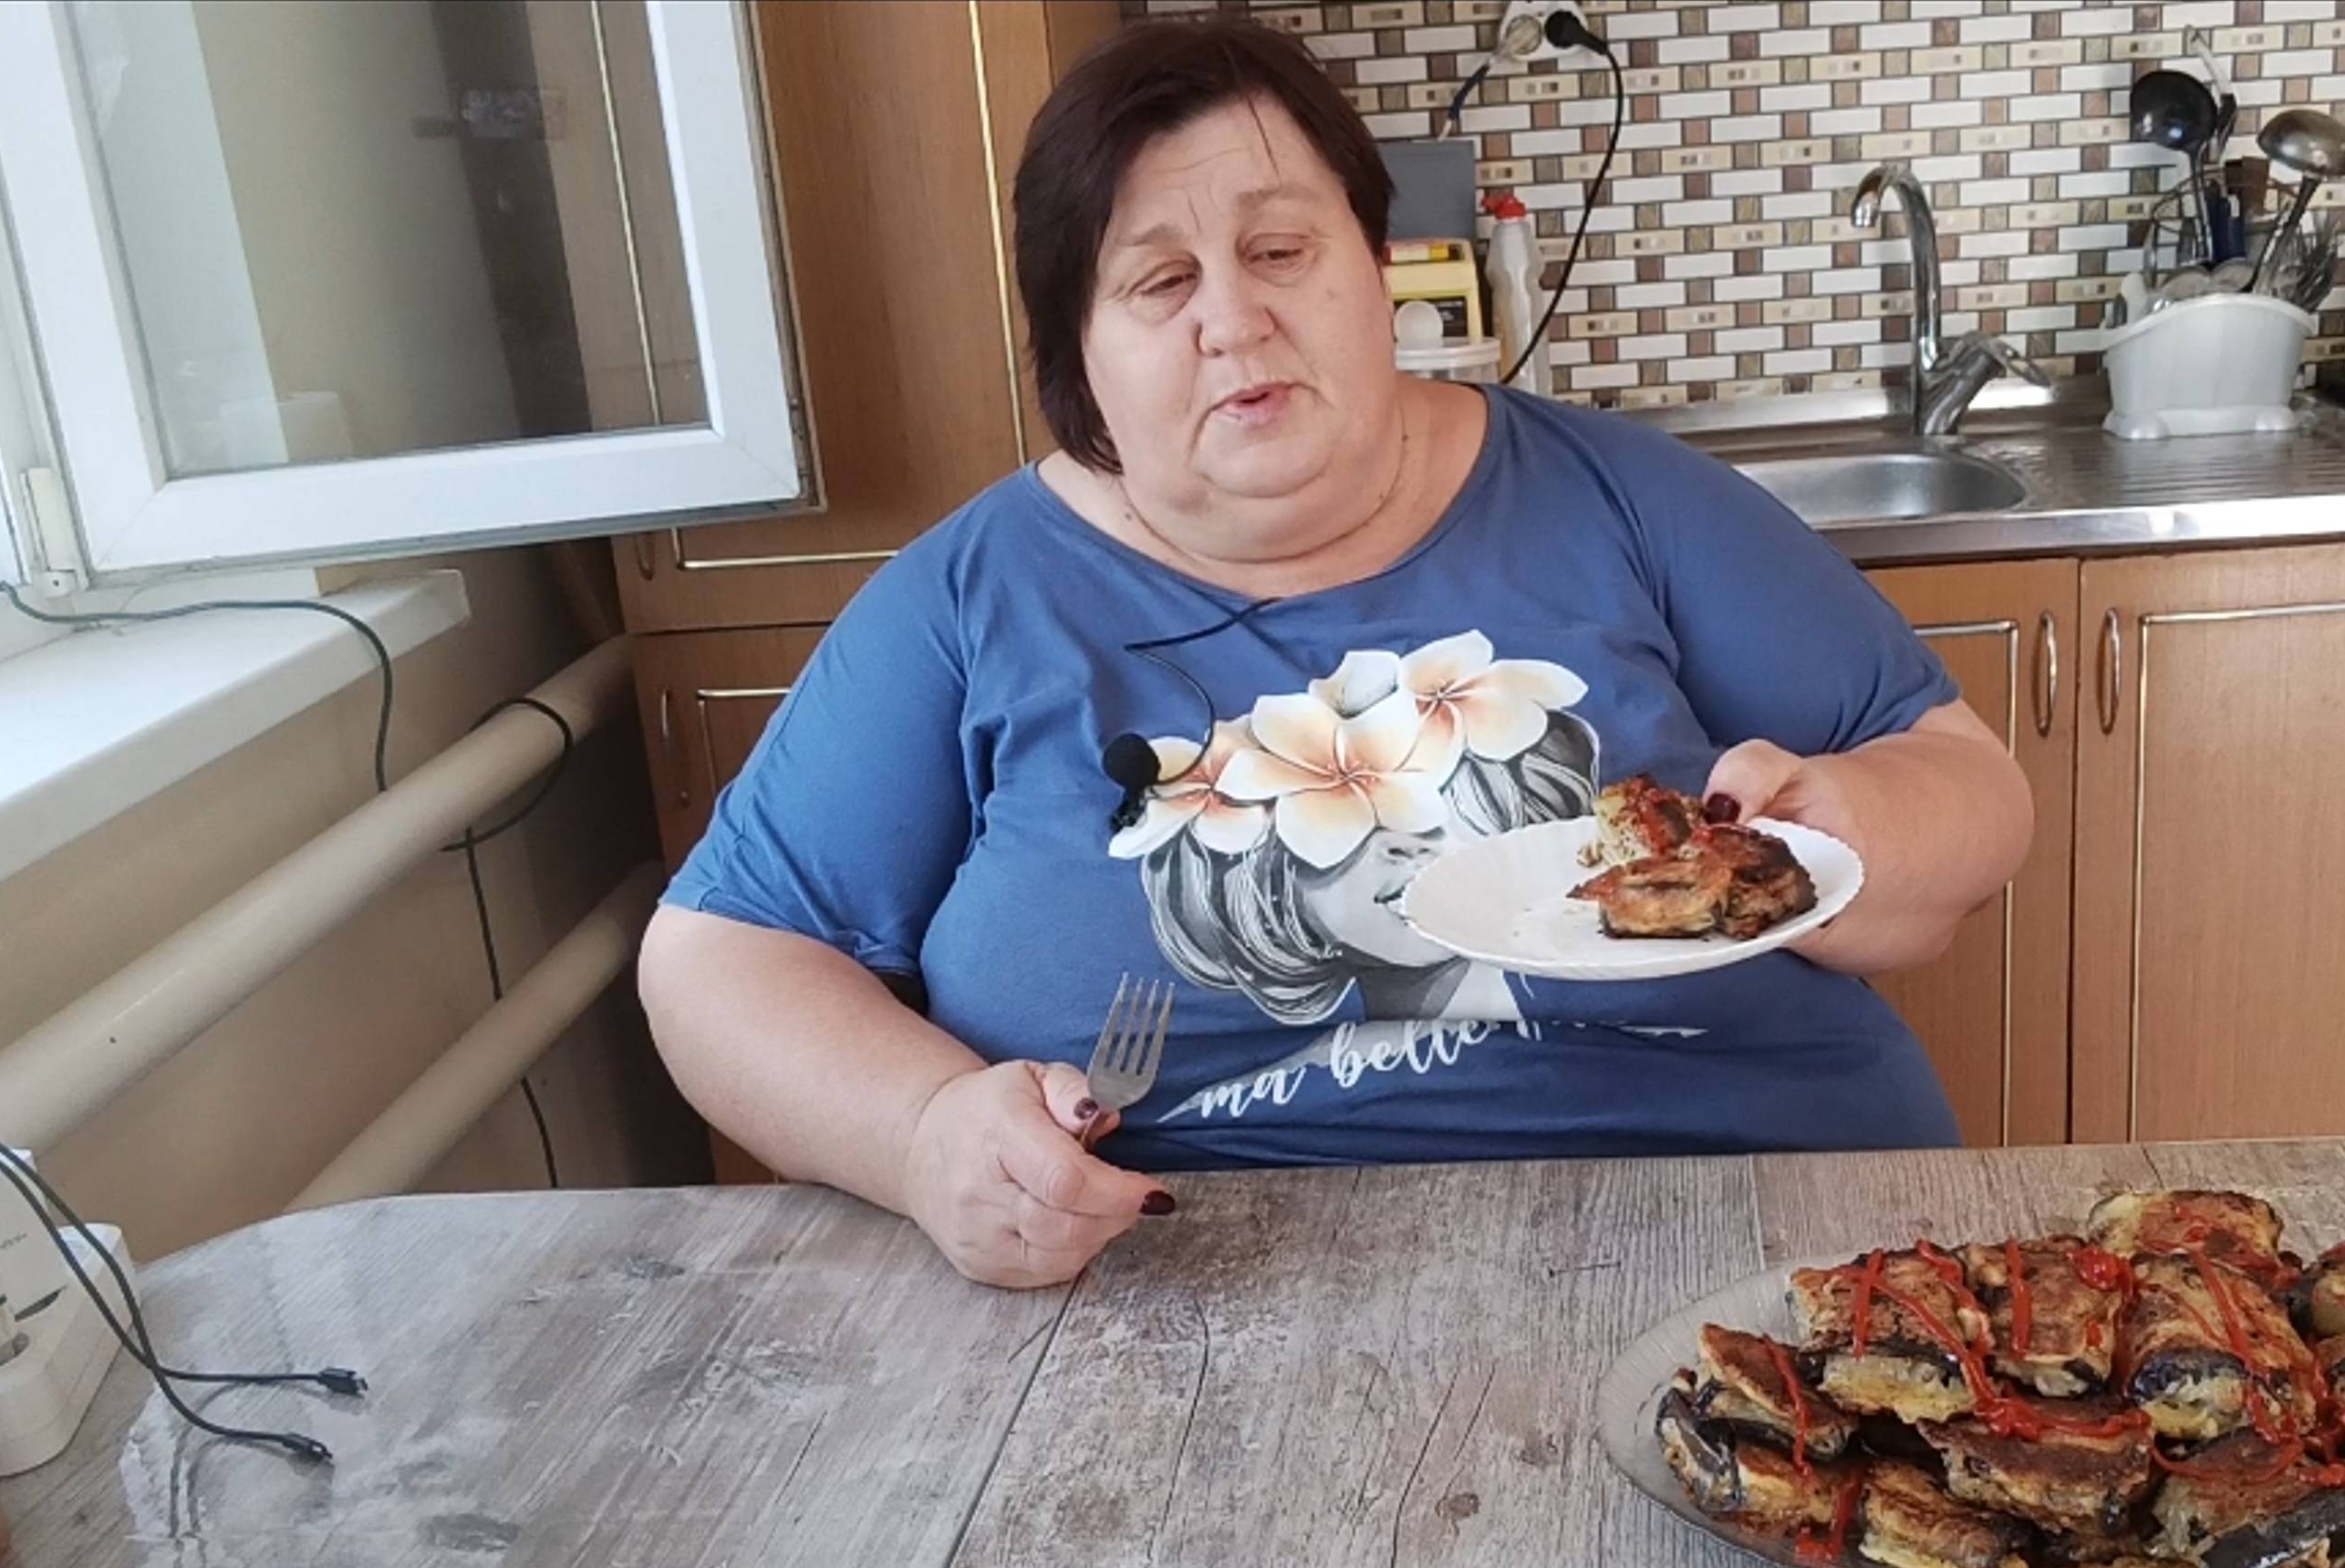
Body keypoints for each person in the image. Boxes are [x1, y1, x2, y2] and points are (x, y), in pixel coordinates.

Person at [637, 18, 2034, 1290]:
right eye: (1160, 280)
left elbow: (1969, 784)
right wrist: (922, 1130)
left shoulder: (1623, 496)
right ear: (1079, 356)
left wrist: (1839, 836)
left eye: (1281, 252)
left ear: (1378, 269)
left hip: (1752, 1220)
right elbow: (714, 961)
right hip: (1192, 1287)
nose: (1233, 320)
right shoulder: (970, 596)